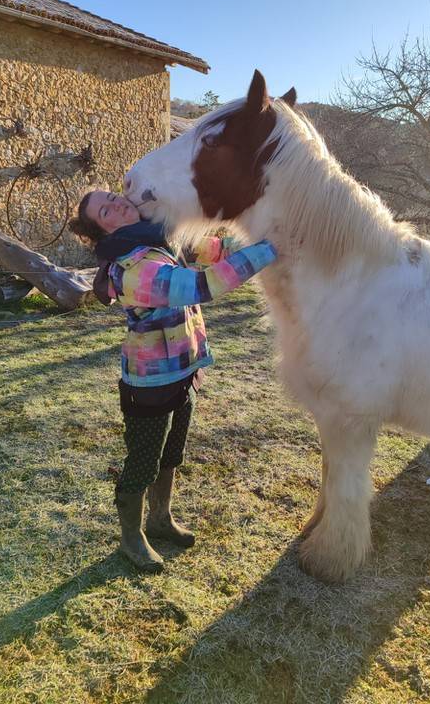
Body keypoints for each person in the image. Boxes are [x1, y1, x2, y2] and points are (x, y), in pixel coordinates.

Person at [69, 188, 277, 573]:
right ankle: (131, 539)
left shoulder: (158, 238)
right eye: (105, 210)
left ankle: (160, 519)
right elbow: (201, 286)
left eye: (112, 197)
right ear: (102, 230)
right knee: (143, 463)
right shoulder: (132, 268)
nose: (116, 203)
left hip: (184, 370)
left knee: (170, 455)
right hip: (150, 383)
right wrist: (270, 248)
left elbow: (213, 250)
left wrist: (247, 236)